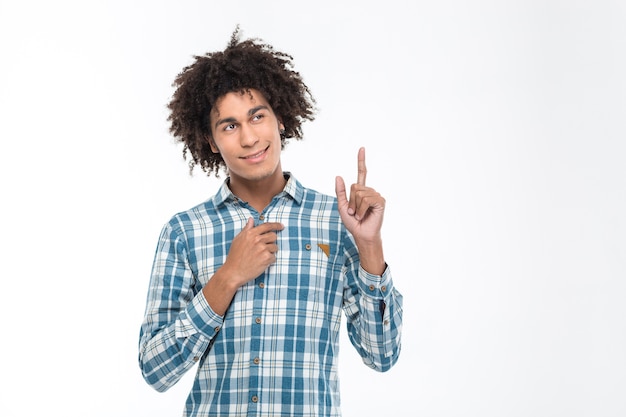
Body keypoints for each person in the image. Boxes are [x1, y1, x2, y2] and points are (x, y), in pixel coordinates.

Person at [138, 27, 403, 417]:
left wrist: (369, 246)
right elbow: (155, 369)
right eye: (229, 126)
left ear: (279, 118)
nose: (248, 138)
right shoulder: (184, 232)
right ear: (211, 141)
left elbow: (382, 356)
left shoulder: (336, 221)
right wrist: (227, 277)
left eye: (257, 116)